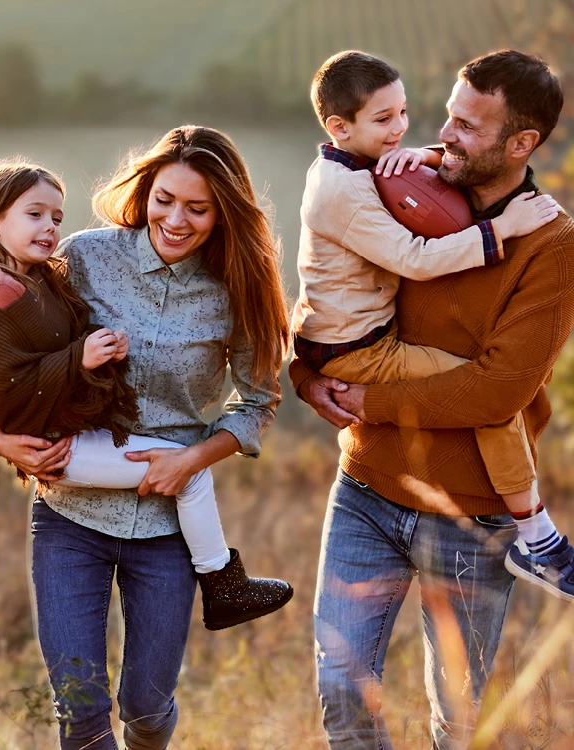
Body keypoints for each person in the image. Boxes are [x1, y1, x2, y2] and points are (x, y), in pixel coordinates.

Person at [292, 50, 574, 747]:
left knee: (459, 722)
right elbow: (328, 291)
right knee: (342, 697)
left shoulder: (552, 241)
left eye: (467, 126)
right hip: (366, 487)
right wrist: (306, 375)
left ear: (522, 144)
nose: (443, 132)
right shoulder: (401, 178)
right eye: (445, 114)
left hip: (471, 514)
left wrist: (369, 399)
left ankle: (538, 539)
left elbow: (499, 389)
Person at [0, 127, 290, 749]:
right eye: (164, 198)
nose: (175, 219)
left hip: (166, 527)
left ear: (223, 213)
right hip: (71, 513)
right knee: (79, 705)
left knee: (147, 710)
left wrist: (194, 459)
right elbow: (12, 350)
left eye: (197, 209)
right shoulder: (84, 256)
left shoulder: (238, 288)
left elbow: (258, 402)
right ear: (145, 190)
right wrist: (0, 435)